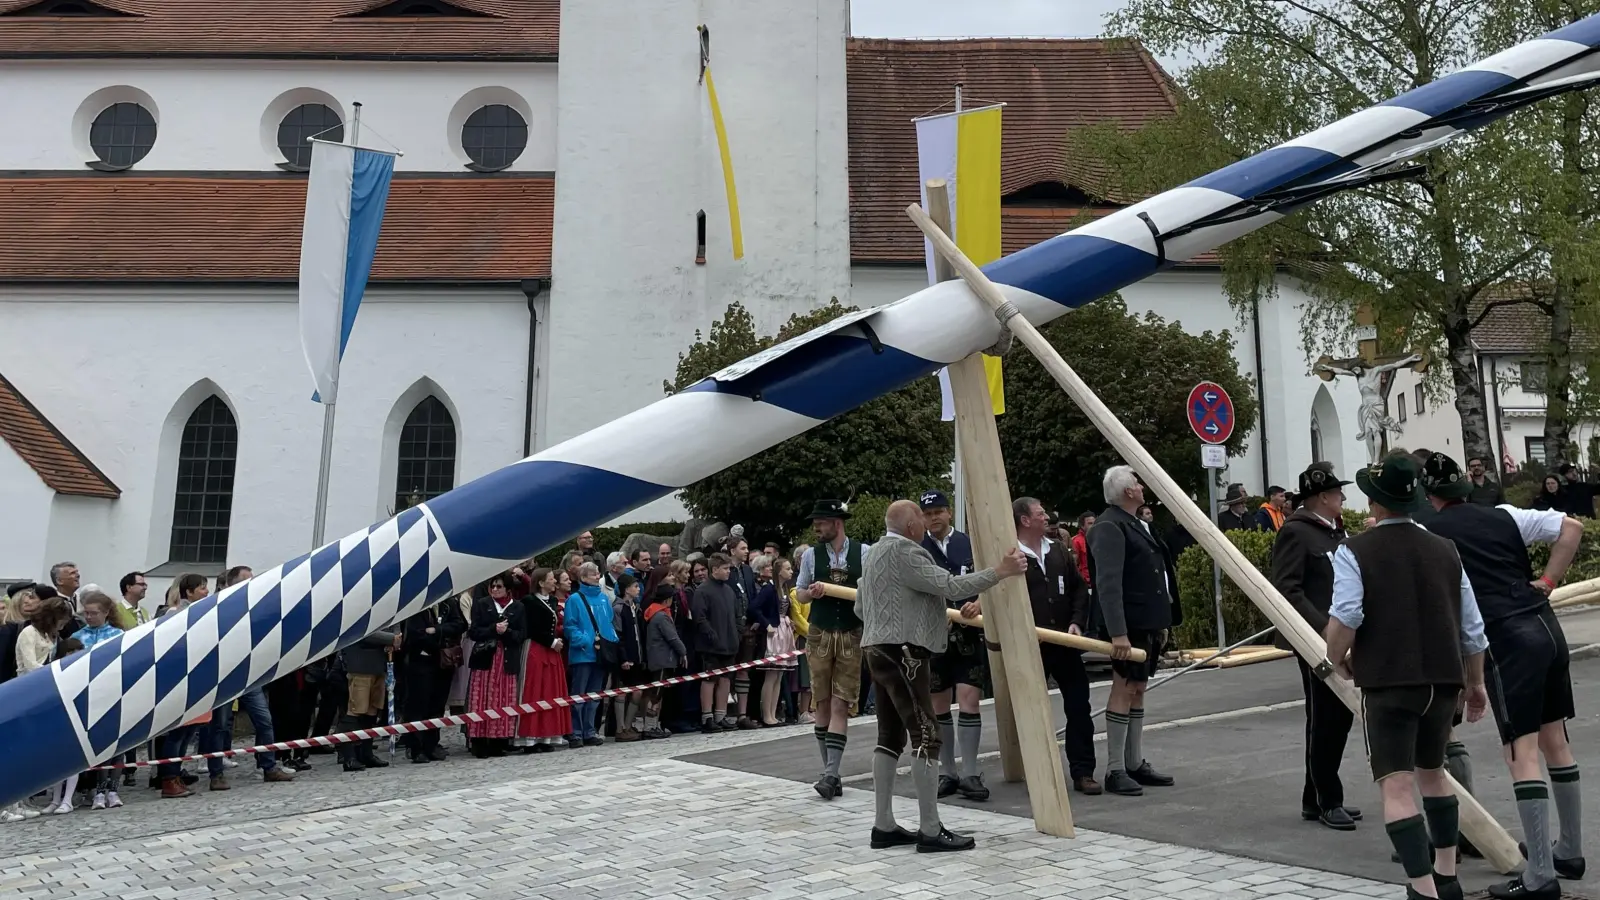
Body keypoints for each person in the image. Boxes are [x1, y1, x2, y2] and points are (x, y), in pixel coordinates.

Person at [1421, 453, 1587, 898]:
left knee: (1521, 752)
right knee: (1557, 740)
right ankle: (1568, 849)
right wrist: (1549, 581)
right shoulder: (1505, 515)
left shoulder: (1428, 533)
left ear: (1429, 493)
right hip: (1545, 626)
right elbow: (1573, 527)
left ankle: (1539, 875)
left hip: (1506, 640)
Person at [1326, 452, 1489, 900]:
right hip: (1442, 678)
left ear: (1376, 503)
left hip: (1388, 679)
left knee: (1396, 785)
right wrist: (1475, 683)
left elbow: (1346, 614)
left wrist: (1333, 657)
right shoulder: (1445, 549)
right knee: (1434, 773)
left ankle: (1421, 889)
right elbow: (1472, 628)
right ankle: (1447, 875)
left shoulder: (1353, 550)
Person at [856, 499, 1026, 853]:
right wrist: (1001, 570)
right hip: (905, 652)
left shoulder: (871, 554)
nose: (925, 525)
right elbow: (950, 587)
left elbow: (860, 605)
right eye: (921, 518)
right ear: (911, 526)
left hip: (876, 649)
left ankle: (883, 824)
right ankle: (930, 829)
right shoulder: (907, 551)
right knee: (926, 735)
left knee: (889, 736)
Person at [1270, 462, 1362, 831]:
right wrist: (1325, 630)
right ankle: (1328, 799)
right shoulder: (1297, 533)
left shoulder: (1331, 532)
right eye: (1338, 492)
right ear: (1322, 497)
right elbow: (1287, 589)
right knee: (1325, 719)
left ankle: (1315, 797)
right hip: (1316, 641)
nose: (1342, 497)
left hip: (1337, 639)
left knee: (1338, 717)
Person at [1086, 465, 1181, 796]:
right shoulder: (1110, 526)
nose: (1142, 487)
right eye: (1137, 483)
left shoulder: (1134, 522)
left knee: (1138, 686)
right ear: (1128, 491)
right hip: (1128, 625)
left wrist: (1162, 621)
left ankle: (1134, 761)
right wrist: (1118, 633)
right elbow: (1108, 584)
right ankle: (1115, 768)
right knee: (1123, 686)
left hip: (1146, 622)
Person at [1013, 496, 1099, 794]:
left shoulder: (1059, 551)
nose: (1046, 517)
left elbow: (1078, 591)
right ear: (1025, 520)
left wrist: (1077, 621)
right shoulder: (1012, 556)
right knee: (1033, 710)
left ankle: (1083, 771)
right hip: (1031, 646)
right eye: (1039, 514)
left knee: (1078, 706)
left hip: (1064, 642)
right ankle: (1040, 773)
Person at [916, 489, 989, 801]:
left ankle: (971, 773)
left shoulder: (970, 543)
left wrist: (979, 602)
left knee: (969, 698)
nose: (933, 519)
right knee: (938, 704)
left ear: (948, 513)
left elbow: (991, 579)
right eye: (928, 514)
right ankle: (948, 773)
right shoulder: (917, 548)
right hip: (934, 635)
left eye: (938, 512)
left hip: (970, 633)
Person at [796, 499, 870, 800]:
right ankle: (831, 771)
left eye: (821, 522)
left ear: (836, 523)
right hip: (820, 633)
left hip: (851, 633)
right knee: (822, 702)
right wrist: (809, 592)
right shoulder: (811, 556)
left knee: (841, 703)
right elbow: (799, 591)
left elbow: (872, 590)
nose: (816, 527)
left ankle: (830, 774)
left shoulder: (864, 552)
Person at [466, 573, 525, 758]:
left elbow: (521, 635)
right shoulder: (483, 604)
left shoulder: (518, 607)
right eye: (493, 586)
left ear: (508, 588)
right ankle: (478, 742)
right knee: (482, 699)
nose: (495, 590)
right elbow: (474, 631)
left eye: (499, 586)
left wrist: (506, 632)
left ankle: (499, 742)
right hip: (486, 658)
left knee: (503, 699)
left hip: (506, 658)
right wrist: (493, 629)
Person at [564, 562, 620, 746]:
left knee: (595, 695)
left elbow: (609, 621)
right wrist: (586, 641)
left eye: (597, 573)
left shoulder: (604, 598)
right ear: (584, 577)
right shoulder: (574, 599)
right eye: (594, 574)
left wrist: (611, 640)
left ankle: (590, 731)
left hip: (602, 653)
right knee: (579, 694)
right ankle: (576, 732)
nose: (598, 577)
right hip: (582, 654)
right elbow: (570, 626)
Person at [515, 568, 569, 753]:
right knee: (534, 690)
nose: (554, 582)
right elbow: (530, 628)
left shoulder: (552, 601)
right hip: (536, 648)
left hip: (551, 649)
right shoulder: (528, 602)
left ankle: (546, 736)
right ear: (541, 582)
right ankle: (529, 739)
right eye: (552, 579)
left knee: (549, 690)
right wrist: (551, 641)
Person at [690, 553, 742, 733]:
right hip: (710, 645)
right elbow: (699, 617)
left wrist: (737, 633)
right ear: (715, 569)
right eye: (725, 568)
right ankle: (707, 717)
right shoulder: (702, 591)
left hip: (729, 643)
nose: (729, 572)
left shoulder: (728, 590)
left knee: (725, 679)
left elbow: (736, 615)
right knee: (709, 679)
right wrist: (711, 635)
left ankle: (721, 715)